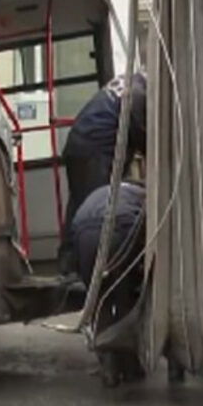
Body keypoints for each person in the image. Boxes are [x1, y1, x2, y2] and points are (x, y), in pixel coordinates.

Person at [59, 72, 148, 276]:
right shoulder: (139, 94)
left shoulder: (130, 81)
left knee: (79, 205)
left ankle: (69, 265)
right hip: (96, 149)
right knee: (96, 210)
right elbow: (145, 137)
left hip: (79, 144)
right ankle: (85, 270)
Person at [68, 179, 147, 386]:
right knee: (125, 300)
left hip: (84, 235)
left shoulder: (101, 190)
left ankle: (109, 369)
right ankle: (131, 367)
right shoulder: (142, 195)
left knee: (99, 302)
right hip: (118, 229)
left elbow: (72, 235)